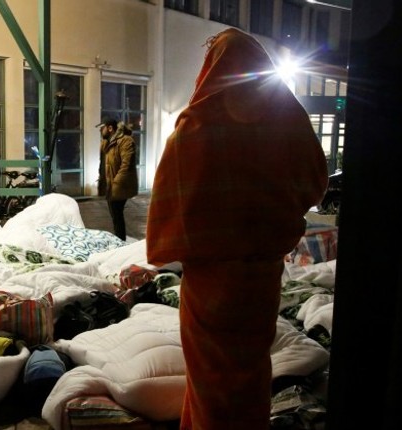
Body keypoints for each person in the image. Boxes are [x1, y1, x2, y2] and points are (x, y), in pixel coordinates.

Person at [146, 28, 328, 429]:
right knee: (250, 373)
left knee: (210, 377)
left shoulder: (195, 128)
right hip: (262, 275)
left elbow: (168, 206)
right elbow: (317, 182)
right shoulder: (291, 121)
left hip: (211, 282)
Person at [97, 117, 138, 241]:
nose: (100, 131)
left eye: (102, 128)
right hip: (110, 185)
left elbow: (126, 165)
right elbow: (103, 163)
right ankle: (119, 240)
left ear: (110, 128)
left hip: (118, 186)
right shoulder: (106, 142)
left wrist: (116, 184)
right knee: (115, 216)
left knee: (117, 215)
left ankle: (120, 241)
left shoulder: (126, 141)